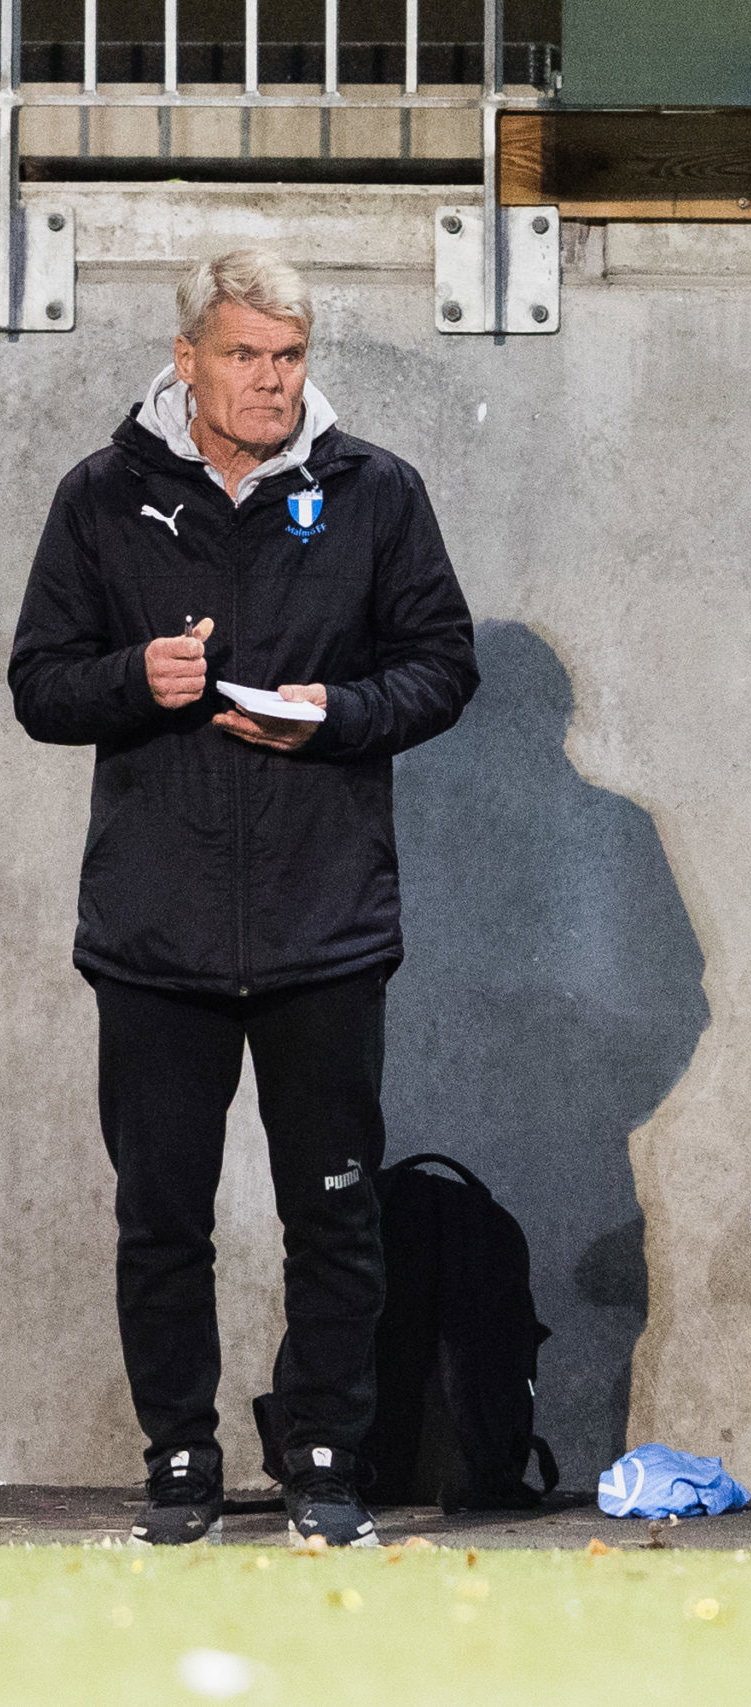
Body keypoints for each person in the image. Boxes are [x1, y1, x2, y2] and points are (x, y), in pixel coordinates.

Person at [9, 249, 478, 1547]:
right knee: (161, 1220)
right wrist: (133, 679)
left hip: (324, 927)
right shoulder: (100, 496)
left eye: (289, 356)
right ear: (188, 360)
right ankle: (179, 1463)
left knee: (334, 1210)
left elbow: (443, 665)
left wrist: (340, 712)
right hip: (152, 937)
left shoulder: (375, 491)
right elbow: (39, 682)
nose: (272, 381)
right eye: (245, 355)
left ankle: (326, 1459)